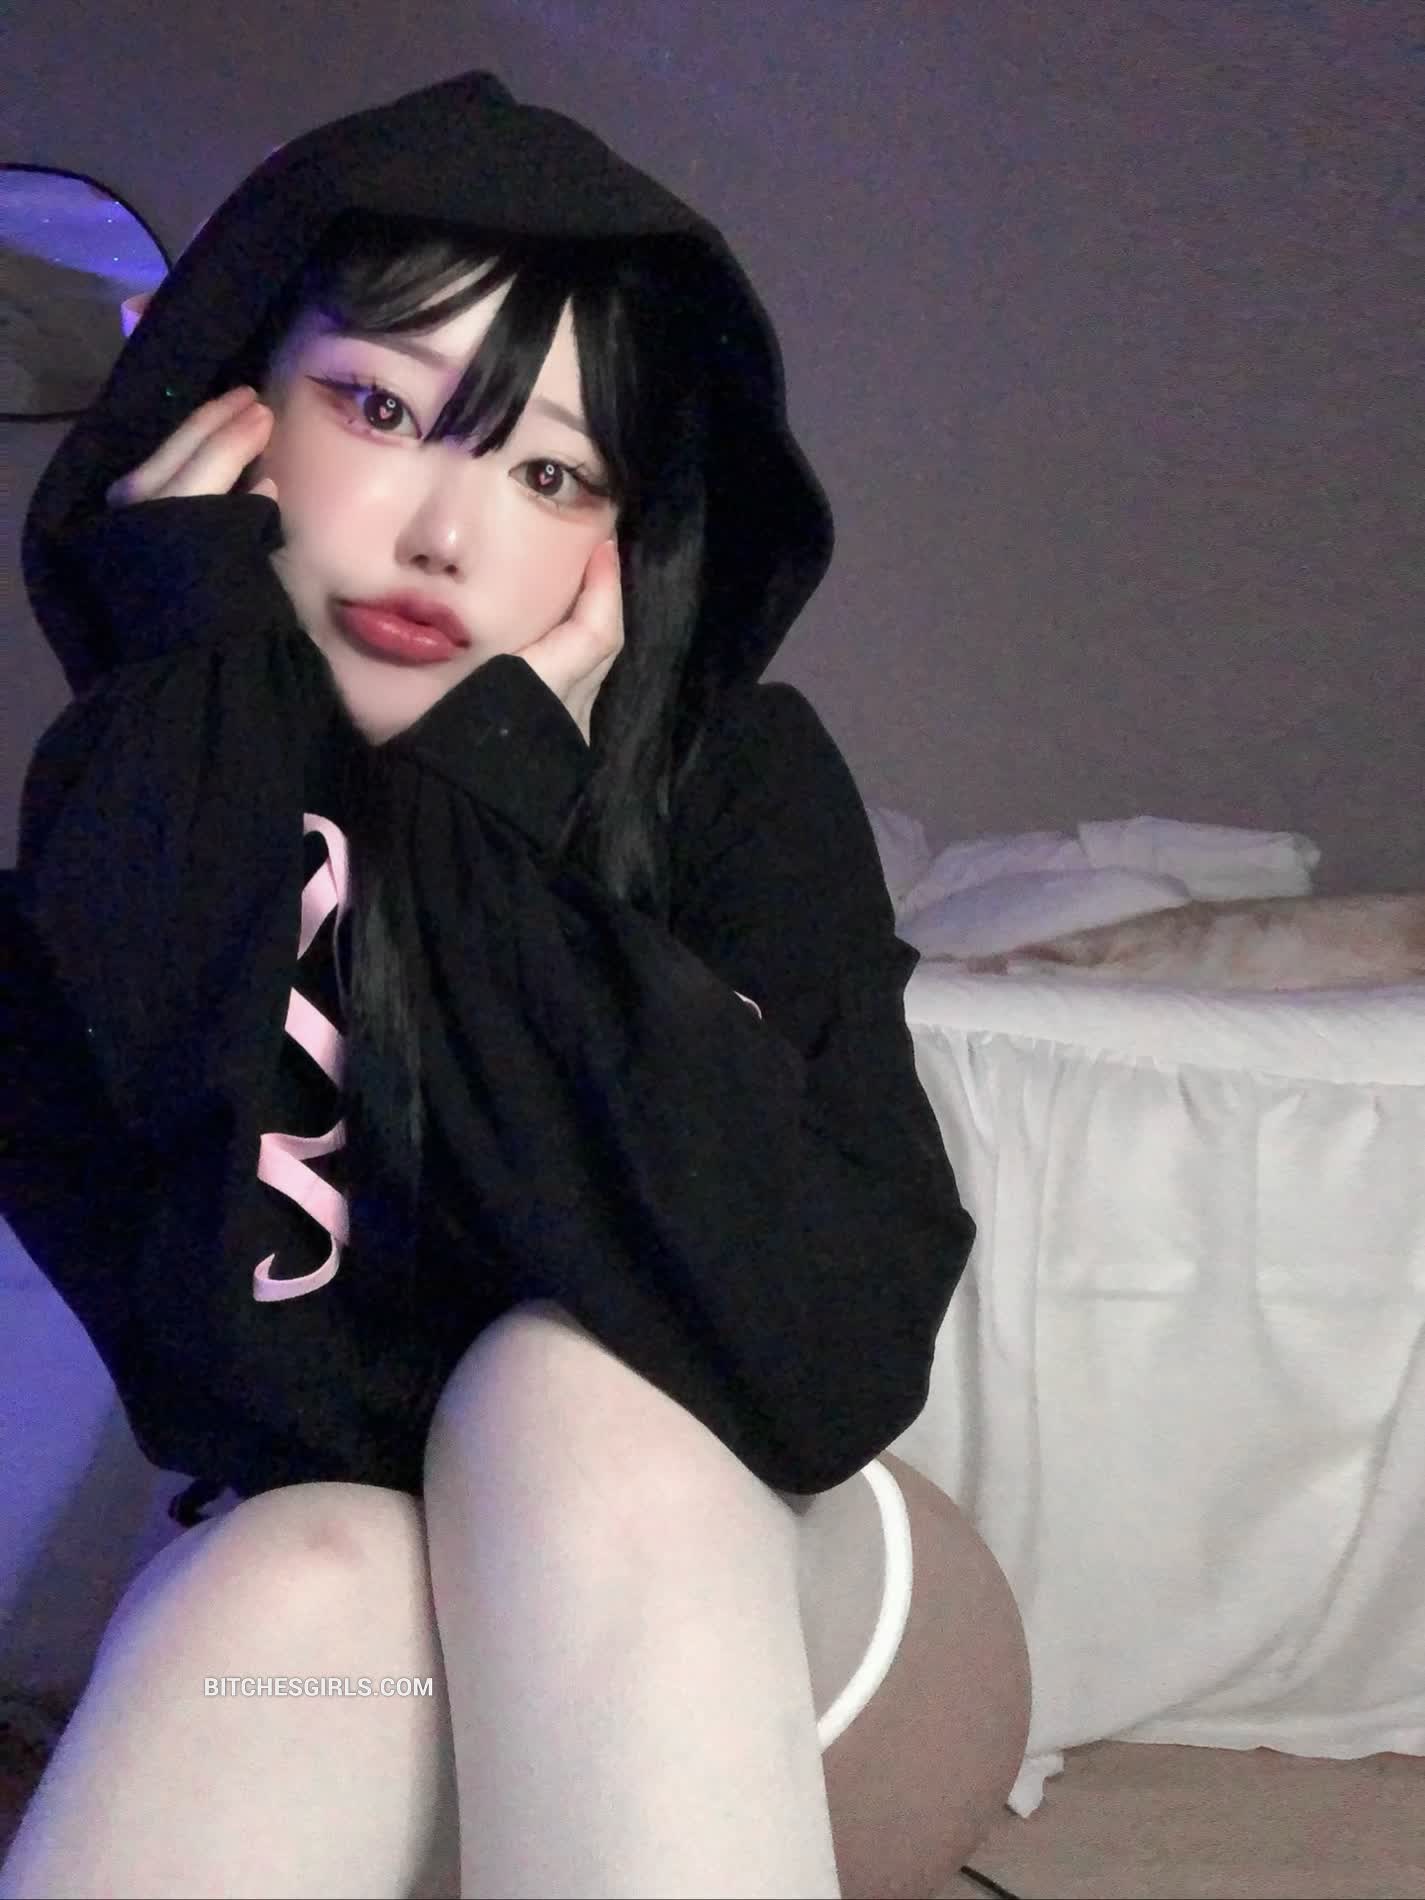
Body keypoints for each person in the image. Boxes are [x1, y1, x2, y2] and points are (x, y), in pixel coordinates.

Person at [0, 70, 1030, 1900]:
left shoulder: (734, 783)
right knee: (289, 1556)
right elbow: (255, 1391)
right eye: (381, 408)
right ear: (234, 412)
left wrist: (479, 816)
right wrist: (197, 724)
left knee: (568, 1389)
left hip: (798, 1645)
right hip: (373, 1669)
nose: (444, 535)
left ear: (625, 527)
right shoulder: (129, 820)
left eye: (548, 470)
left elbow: (822, 1359)